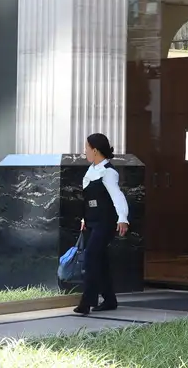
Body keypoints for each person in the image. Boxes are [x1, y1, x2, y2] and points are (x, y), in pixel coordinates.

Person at [74, 132, 130, 316]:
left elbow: (117, 196)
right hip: (91, 221)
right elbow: (88, 199)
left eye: (87, 148)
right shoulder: (91, 170)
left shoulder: (108, 172)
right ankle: (109, 299)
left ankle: (87, 302)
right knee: (101, 261)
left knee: (91, 257)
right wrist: (84, 219)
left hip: (105, 222)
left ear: (95, 150)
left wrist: (122, 217)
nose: (85, 151)